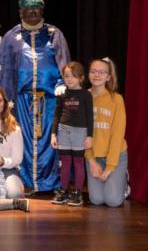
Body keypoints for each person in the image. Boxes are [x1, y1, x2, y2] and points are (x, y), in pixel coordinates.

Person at [0, 0, 70, 192]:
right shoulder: (11, 36)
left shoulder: (54, 34)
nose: (33, 14)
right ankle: (25, 182)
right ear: (21, 13)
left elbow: (65, 64)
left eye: (37, 10)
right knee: (22, 142)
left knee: (50, 142)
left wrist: (63, 82)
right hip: (21, 101)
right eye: (29, 11)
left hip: (50, 100)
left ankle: (51, 183)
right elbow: (4, 68)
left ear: (42, 12)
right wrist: (3, 99)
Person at [85, 58, 127, 207]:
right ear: (88, 74)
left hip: (115, 155)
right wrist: (91, 161)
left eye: (102, 72)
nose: (97, 75)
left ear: (108, 77)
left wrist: (109, 167)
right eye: (93, 71)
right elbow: (81, 135)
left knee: (113, 201)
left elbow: (117, 135)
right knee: (96, 200)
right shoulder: (83, 97)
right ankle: (110, 183)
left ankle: (123, 181)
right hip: (93, 157)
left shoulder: (116, 99)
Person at [51, 62, 93, 206]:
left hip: (80, 133)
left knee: (78, 163)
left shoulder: (86, 95)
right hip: (63, 131)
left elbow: (90, 117)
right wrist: (53, 134)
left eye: (73, 76)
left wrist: (89, 136)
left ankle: (77, 192)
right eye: (67, 76)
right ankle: (63, 190)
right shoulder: (62, 94)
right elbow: (56, 115)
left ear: (81, 78)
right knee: (65, 164)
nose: (69, 79)